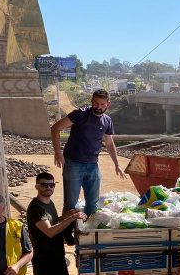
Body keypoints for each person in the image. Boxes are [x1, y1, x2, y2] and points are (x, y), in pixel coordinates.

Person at [51, 89, 126, 217]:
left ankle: (88, 234)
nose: (98, 107)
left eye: (102, 104)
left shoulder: (107, 120)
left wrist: (117, 164)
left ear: (108, 104)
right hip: (73, 163)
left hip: (93, 166)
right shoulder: (79, 114)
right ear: (91, 101)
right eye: (96, 103)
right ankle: (67, 233)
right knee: (70, 203)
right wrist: (58, 152)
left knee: (92, 203)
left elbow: (109, 143)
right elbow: (55, 128)